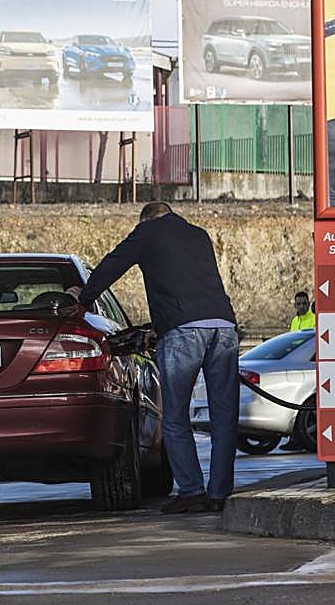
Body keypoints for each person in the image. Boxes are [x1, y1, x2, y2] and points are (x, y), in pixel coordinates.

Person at [71, 201, 238, 514]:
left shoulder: (147, 232)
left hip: (183, 330)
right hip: (224, 327)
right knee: (224, 415)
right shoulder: (199, 235)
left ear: (146, 219)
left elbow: (112, 264)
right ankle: (220, 493)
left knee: (174, 416)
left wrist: (82, 299)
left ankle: (191, 491)